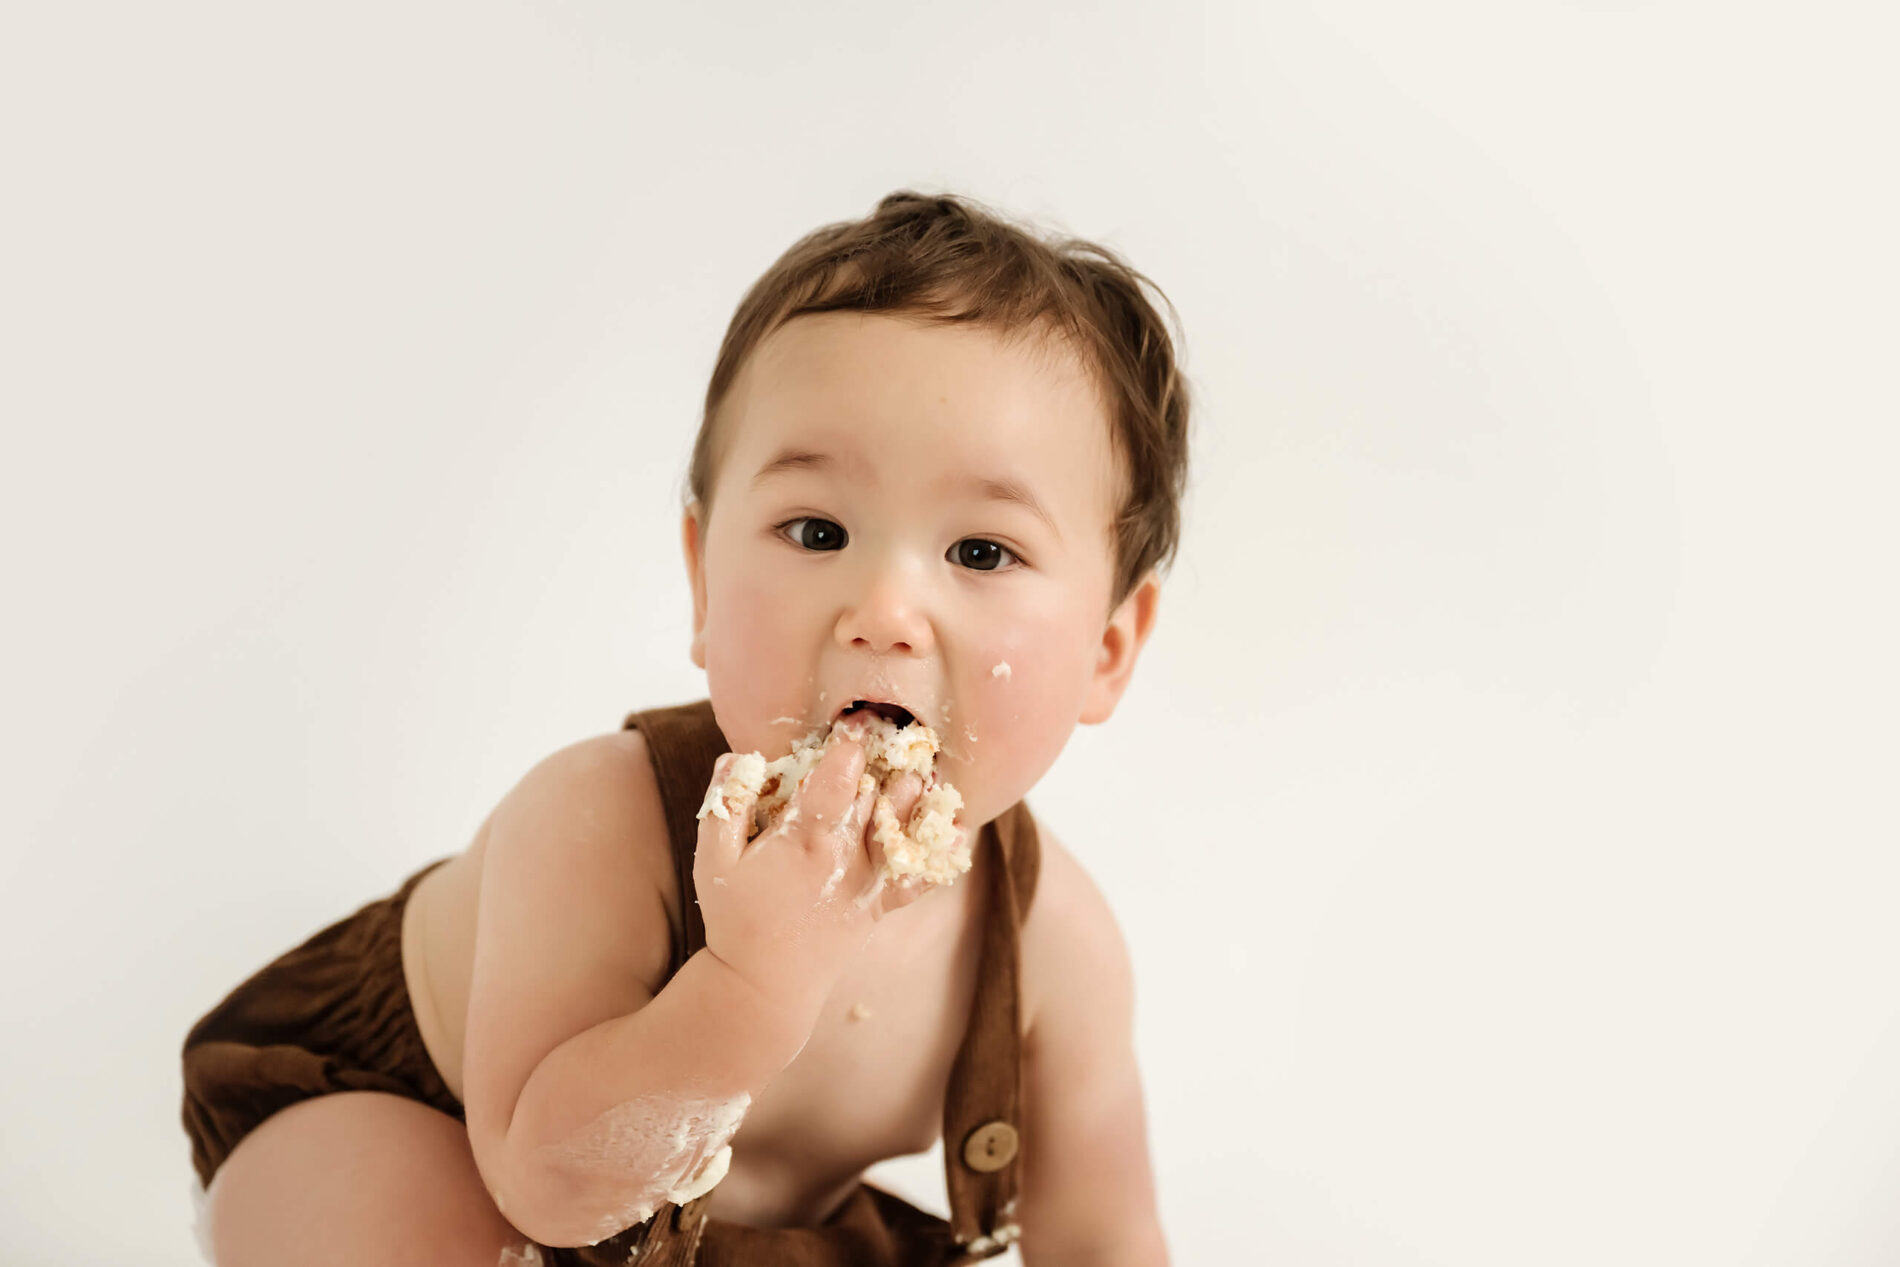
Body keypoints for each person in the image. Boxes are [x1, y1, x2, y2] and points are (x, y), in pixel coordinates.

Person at [181, 189, 1190, 1266]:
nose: (885, 613)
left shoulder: (1055, 949)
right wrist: (753, 987)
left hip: (706, 1233)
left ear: (1106, 649)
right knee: (394, 1213)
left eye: (981, 553)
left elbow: (1103, 1236)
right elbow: (551, 1191)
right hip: (425, 1125)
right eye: (817, 530)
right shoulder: (597, 821)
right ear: (703, 583)